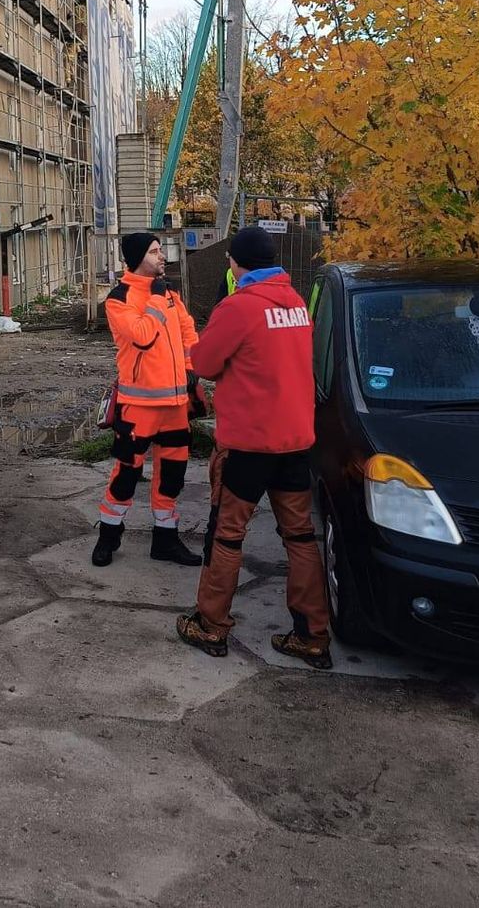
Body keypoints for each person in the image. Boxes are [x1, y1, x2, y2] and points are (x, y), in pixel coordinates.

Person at [176, 226, 332, 669]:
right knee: (300, 537)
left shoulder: (239, 307)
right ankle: (312, 635)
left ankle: (211, 625)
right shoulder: (296, 304)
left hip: (248, 445)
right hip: (296, 441)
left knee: (226, 535)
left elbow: (204, 363)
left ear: (237, 262)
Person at [92, 232, 202, 570]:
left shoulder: (169, 292)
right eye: (155, 252)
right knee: (127, 474)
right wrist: (155, 300)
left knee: (172, 476)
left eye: (160, 251)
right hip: (138, 407)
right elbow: (141, 336)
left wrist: (189, 369)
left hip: (175, 406)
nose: (162, 256)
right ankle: (108, 537)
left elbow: (187, 332)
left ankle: (165, 541)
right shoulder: (118, 298)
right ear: (139, 257)